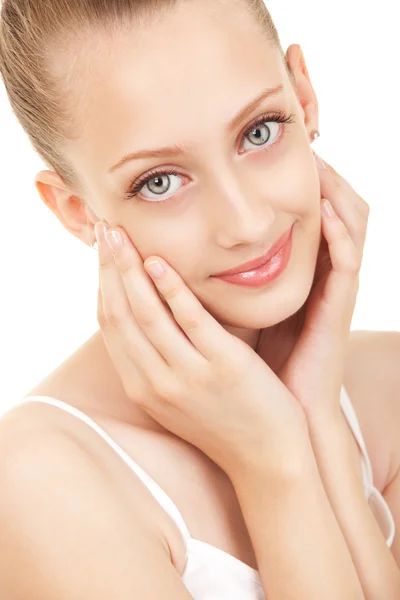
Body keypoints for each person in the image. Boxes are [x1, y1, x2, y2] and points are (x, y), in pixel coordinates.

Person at [0, 0, 398, 598]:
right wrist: (275, 465)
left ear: (305, 100)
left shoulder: (387, 388)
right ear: (77, 211)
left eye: (258, 132)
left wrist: (319, 423)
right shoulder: (38, 483)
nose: (246, 221)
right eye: (159, 181)